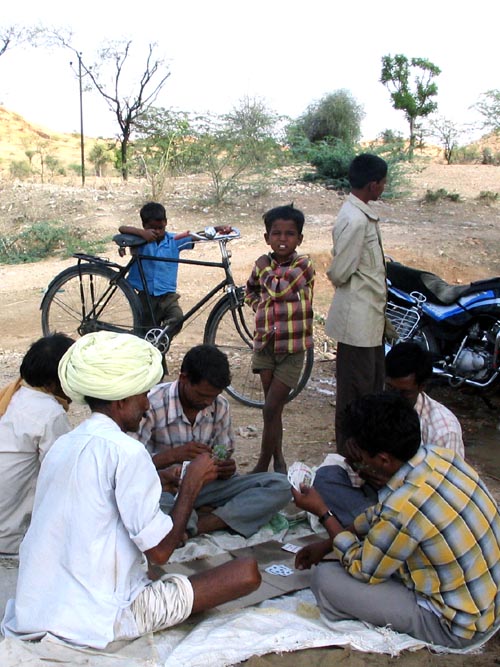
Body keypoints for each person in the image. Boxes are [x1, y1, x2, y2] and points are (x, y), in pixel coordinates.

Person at [1, 332, 260, 649]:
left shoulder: (67, 442)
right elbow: (163, 550)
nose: (147, 405)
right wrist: (190, 485)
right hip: (97, 618)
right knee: (247, 573)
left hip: (34, 610)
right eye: (142, 396)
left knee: (146, 565)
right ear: (121, 400)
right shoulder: (125, 450)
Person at [293, 393, 500, 649]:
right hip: (488, 604)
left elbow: (362, 569)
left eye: (361, 458)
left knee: (325, 579)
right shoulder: (440, 457)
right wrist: (326, 545)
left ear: (382, 459)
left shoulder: (402, 507)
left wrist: (323, 512)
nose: (358, 464)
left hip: (456, 627)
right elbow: (374, 516)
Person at [137, 344, 292, 537]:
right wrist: (172, 457)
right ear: (184, 378)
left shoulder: (219, 405)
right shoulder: (151, 404)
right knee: (141, 503)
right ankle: (204, 519)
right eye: (202, 395)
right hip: (164, 490)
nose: (208, 403)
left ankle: (197, 525)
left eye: (214, 396)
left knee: (281, 486)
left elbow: (223, 452)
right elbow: (130, 467)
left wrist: (225, 468)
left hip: (206, 488)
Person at [313, 341, 465, 526]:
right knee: (326, 478)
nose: (394, 397)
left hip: (416, 507)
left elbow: (446, 494)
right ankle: (372, 525)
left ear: (422, 386)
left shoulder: (443, 429)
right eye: (390, 388)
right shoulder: (381, 406)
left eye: (404, 393)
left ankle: (376, 527)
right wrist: (355, 450)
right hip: (375, 492)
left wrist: (393, 482)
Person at [325, 154, 388, 455]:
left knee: (372, 392)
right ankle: (349, 458)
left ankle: (367, 455)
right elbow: (340, 271)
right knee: (355, 397)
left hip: (369, 322)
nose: (384, 188)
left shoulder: (361, 215)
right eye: (383, 183)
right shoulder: (354, 219)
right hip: (357, 325)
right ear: (373, 185)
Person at [244, 204, 314, 473]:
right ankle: (278, 458)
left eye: (289, 234)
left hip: (292, 348)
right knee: (273, 410)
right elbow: (251, 290)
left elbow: (279, 290)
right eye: (276, 234)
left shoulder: (303, 265)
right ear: (267, 238)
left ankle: (264, 462)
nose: (282, 239)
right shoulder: (262, 265)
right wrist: (257, 306)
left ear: (299, 239)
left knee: (271, 407)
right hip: (265, 345)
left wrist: (264, 271)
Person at [0, 333, 74, 554]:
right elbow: (65, 480)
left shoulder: (14, 395)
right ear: (53, 383)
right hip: (10, 538)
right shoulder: (49, 414)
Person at [119, 201, 229, 336]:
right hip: (145, 296)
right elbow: (122, 228)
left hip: (168, 296)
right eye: (152, 228)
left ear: (166, 222)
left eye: (160, 227)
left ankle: (160, 339)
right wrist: (142, 234)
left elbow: (196, 236)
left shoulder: (174, 240)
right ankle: (153, 347)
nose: (158, 232)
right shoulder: (141, 240)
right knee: (144, 333)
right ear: (144, 226)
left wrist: (217, 229)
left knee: (177, 319)